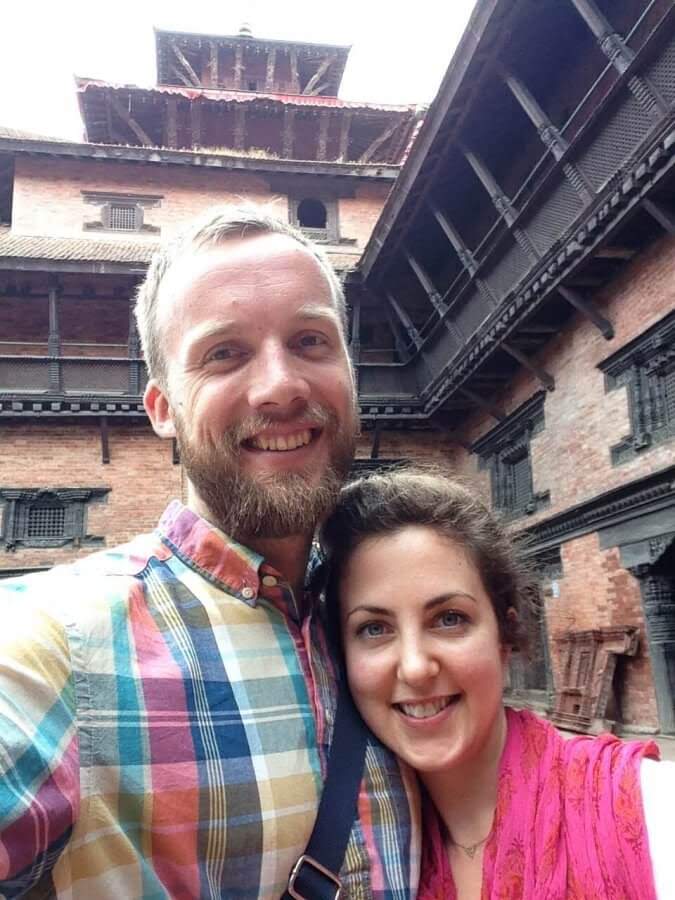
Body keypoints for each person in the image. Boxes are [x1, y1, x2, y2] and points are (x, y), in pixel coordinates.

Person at [0, 208, 420, 899]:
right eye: (225, 353)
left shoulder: (394, 617)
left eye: (310, 340)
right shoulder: (57, 644)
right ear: (161, 407)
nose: (281, 386)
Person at [321, 467, 675, 900]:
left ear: (504, 637)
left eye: (449, 619)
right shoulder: (360, 850)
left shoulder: (644, 808)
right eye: (374, 628)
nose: (415, 668)